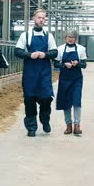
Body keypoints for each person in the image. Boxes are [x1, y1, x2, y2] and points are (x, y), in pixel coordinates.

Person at [15, 9, 58, 137]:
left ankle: (45, 120)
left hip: (44, 73)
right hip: (30, 73)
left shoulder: (48, 35)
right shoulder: (26, 35)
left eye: (44, 18)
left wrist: (44, 54)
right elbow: (17, 51)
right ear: (34, 18)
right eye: (39, 17)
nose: (41, 20)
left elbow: (54, 52)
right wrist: (29, 54)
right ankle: (31, 127)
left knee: (46, 98)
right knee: (29, 100)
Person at [54, 29, 87, 135]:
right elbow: (55, 64)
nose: (70, 39)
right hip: (64, 79)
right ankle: (68, 125)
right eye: (68, 37)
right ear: (65, 38)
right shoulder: (60, 49)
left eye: (72, 37)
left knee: (76, 101)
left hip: (77, 79)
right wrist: (64, 65)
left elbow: (84, 65)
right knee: (66, 101)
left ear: (75, 38)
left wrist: (77, 63)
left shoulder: (81, 49)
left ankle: (77, 125)